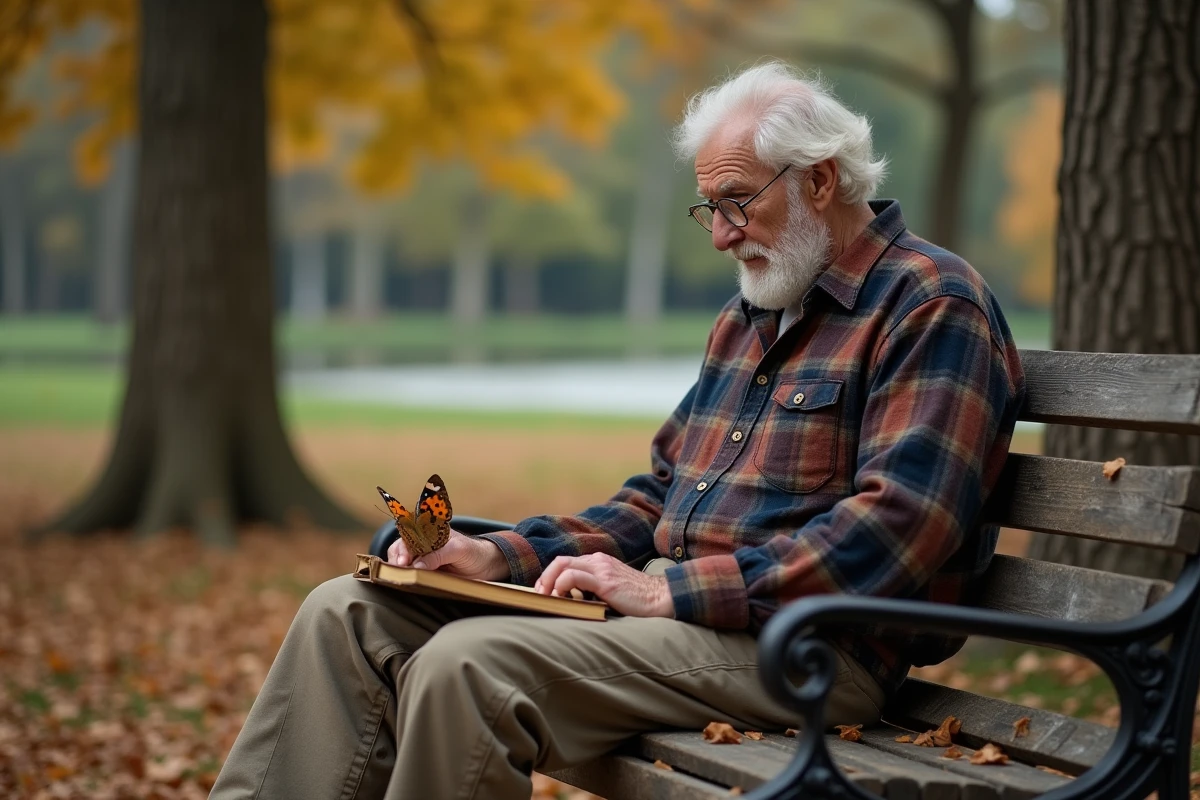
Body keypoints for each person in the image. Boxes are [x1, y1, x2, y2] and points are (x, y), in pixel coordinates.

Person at [211, 61, 1025, 800]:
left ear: (818, 181)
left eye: (739, 203)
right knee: (346, 613)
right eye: (711, 207)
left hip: (814, 649)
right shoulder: (755, 315)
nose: (720, 234)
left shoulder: (928, 302)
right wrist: (497, 557)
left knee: (470, 668)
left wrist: (665, 589)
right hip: (688, 626)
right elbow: (658, 499)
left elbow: (900, 530)